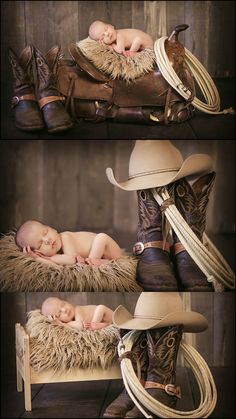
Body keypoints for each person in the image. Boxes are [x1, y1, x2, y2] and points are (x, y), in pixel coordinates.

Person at [16, 220, 122, 266]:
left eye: (45, 232)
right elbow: (54, 267)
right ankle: (101, 262)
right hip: (106, 259)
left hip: (109, 248)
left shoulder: (65, 237)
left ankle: (93, 262)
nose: (47, 240)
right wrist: (38, 258)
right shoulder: (57, 253)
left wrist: (48, 258)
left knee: (101, 237)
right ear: (39, 252)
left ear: (53, 229)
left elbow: (71, 259)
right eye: (40, 244)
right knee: (90, 262)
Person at [41, 297, 113, 330]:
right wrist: (61, 324)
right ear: (58, 319)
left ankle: (97, 324)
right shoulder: (70, 322)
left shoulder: (77, 310)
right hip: (107, 324)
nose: (64, 310)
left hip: (108, 315)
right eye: (59, 313)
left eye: (63, 304)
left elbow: (80, 325)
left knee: (100, 308)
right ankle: (105, 325)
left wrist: (62, 324)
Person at [88, 20, 153, 57]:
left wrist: (111, 45)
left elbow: (120, 50)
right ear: (101, 41)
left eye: (106, 29)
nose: (107, 34)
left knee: (137, 40)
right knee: (137, 40)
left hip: (146, 43)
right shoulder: (117, 35)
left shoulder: (119, 35)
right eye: (103, 36)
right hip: (144, 44)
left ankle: (133, 53)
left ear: (111, 26)